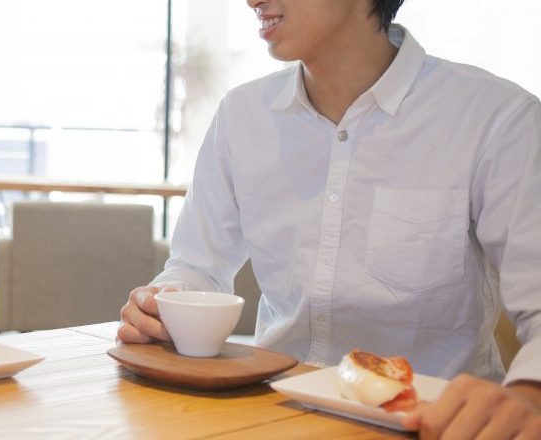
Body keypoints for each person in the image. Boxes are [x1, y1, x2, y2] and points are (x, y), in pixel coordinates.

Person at [119, 0, 541, 437]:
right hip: (270, 414)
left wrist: (531, 392)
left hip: (433, 424)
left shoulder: (496, 118)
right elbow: (196, 268)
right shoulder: (241, 115)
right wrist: (166, 304)